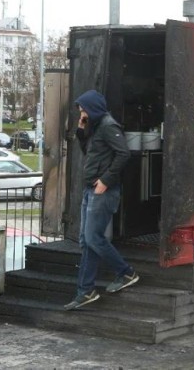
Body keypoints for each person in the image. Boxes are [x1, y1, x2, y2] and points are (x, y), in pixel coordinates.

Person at [64, 89, 139, 311]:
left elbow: (123, 153)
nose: (81, 111)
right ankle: (85, 291)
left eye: (83, 108)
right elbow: (90, 152)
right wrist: (80, 129)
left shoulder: (108, 125)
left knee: (93, 239)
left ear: (93, 107)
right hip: (91, 190)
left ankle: (126, 273)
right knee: (87, 241)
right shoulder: (96, 126)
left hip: (103, 191)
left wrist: (105, 181)